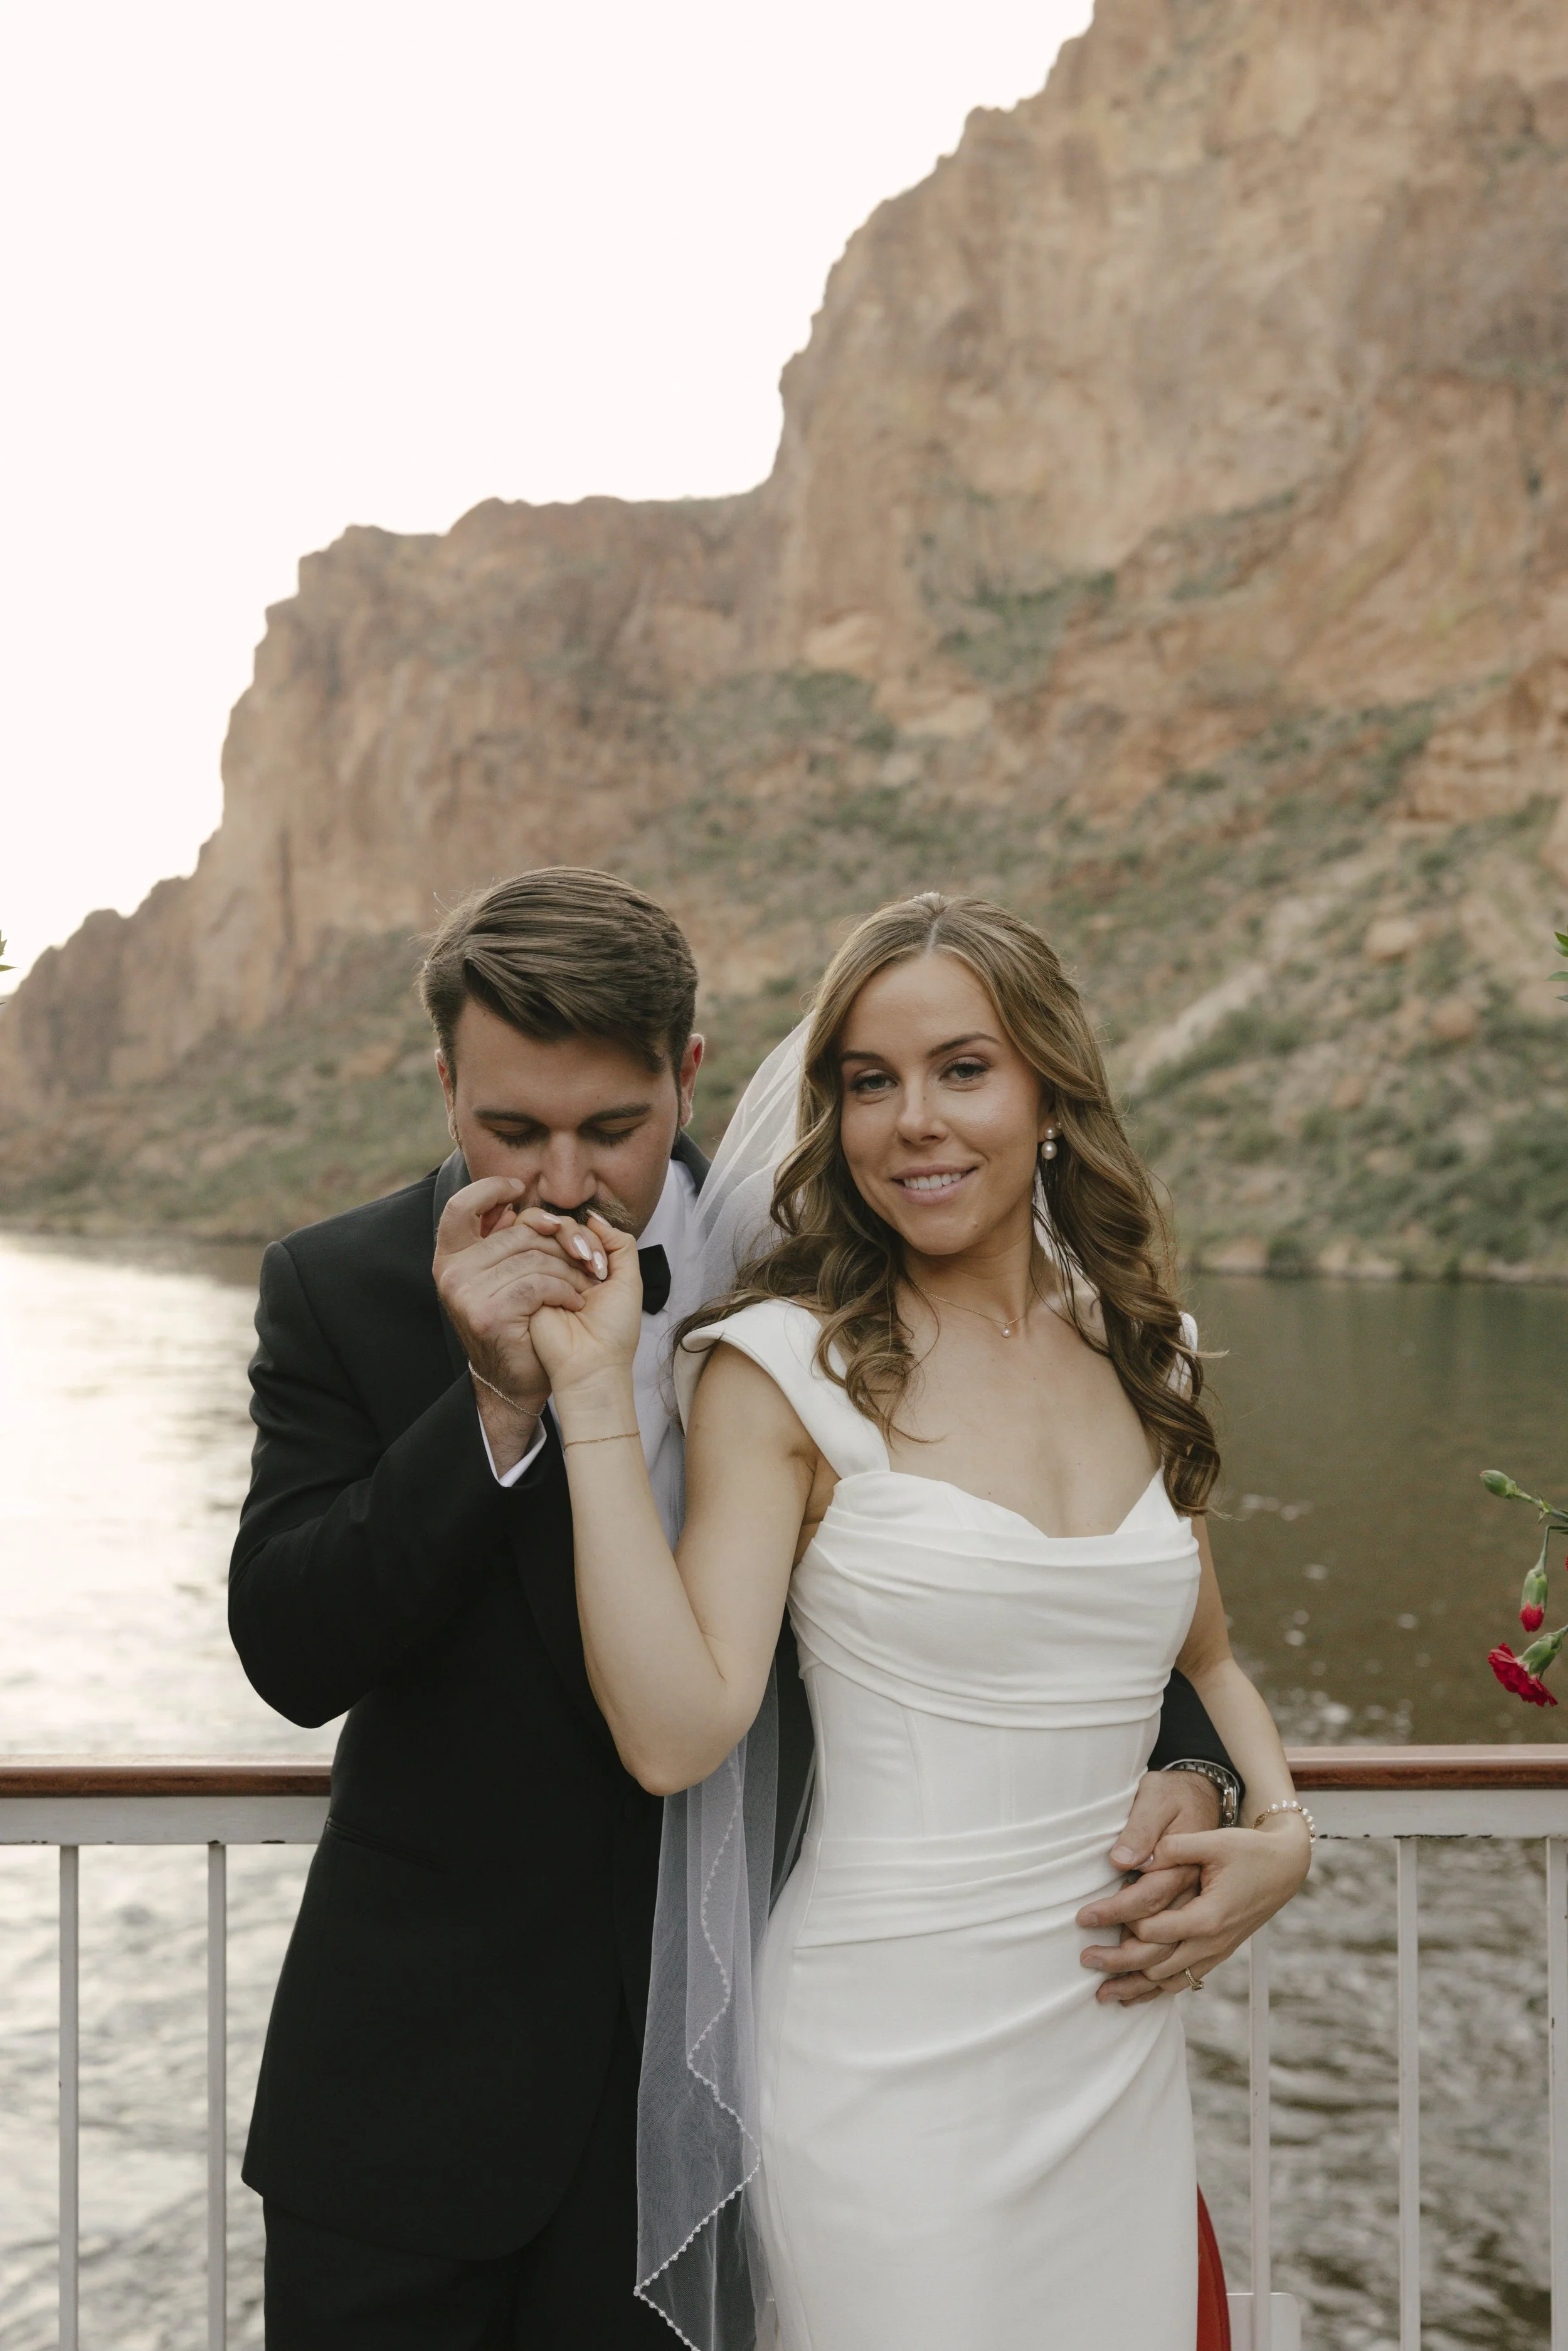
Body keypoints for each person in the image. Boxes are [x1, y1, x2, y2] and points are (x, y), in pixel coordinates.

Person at [230, 866, 1248, 2349]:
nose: (566, 1180)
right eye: (510, 1129)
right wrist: (494, 1402)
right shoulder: (338, 1286)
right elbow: (290, 1651)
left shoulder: (827, 1277)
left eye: (612, 1129)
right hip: (415, 2098)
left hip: (748, 2094)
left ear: (687, 1071)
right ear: (443, 1079)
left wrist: (1197, 1762)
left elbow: (1043, 1569)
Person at [527, 891, 1314, 2351]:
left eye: (962, 1067)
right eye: (867, 1080)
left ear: (1045, 1093)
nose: (911, 1121)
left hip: (1111, 2040)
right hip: (884, 2066)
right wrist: (585, 1401)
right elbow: (673, 1728)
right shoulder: (780, 1365)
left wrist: (1279, 1826)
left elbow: (1201, 1650)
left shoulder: (1146, 1351)